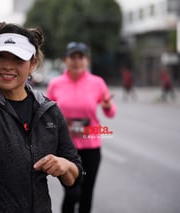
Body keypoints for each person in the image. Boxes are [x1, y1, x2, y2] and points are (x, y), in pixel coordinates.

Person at [0, 22, 83, 213]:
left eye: (18, 59)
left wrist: (65, 166)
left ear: (33, 64)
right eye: (0, 57)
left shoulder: (49, 110)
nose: (8, 66)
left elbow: (76, 174)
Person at [47, 42, 116, 213]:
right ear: (66, 60)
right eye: (73, 57)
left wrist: (107, 105)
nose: (76, 61)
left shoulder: (97, 82)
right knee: (72, 193)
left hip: (91, 146)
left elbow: (111, 112)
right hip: (66, 147)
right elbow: (46, 112)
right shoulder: (56, 83)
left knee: (86, 194)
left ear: (87, 60)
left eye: (80, 57)